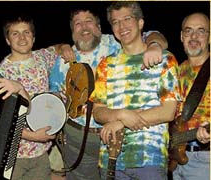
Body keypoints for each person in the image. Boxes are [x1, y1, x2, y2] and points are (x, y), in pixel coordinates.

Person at [49, 6, 168, 180]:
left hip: (118, 135)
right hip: (77, 138)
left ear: (98, 26)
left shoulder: (118, 42)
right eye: (78, 23)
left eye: (89, 21)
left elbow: (155, 35)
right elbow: (54, 99)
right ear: (72, 30)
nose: (84, 27)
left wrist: (155, 45)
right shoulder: (63, 60)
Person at [90, 2, 180, 180]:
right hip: (111, 158)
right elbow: (98, 112)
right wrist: (122, 114)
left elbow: (168, 111)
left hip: (149, 159)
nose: (121, 26)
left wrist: (121, 122)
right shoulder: (105, 65)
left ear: (140, 23)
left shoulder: (165, 60)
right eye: (115, 22)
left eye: (127, 19)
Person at [0, 15, 70, 180]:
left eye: (26, 32)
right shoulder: (0, 74)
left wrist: (64, 47)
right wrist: (32, 136)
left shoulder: (41, 57)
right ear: (7, 40)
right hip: (14, 156)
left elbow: (57, 48)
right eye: (15, 33)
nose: (22, 38)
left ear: (33, 37)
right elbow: (1, 122)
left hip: (41, 153)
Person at [171, 12, 210, 180]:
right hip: (175, 159)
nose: (194, 36)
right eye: (188, 31)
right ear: (181, 36)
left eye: (201, 31)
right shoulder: (176, 70)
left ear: (209, 37)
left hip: (206, 160)